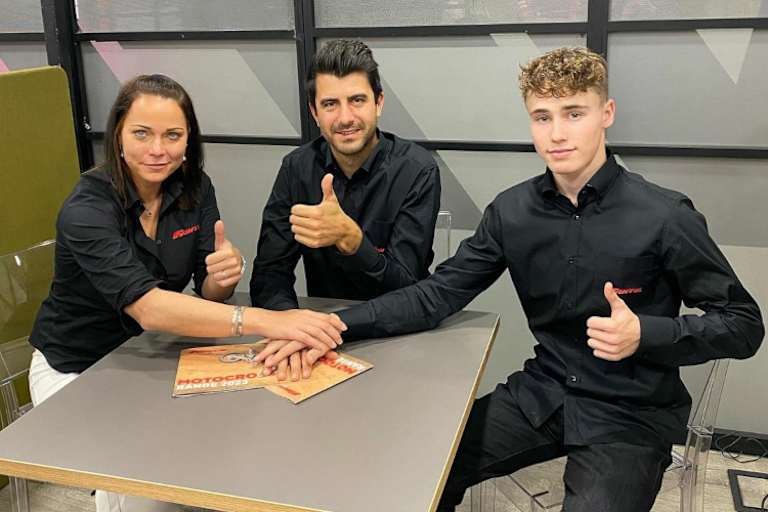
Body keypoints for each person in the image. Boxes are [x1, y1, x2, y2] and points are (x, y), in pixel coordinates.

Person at [257, 47, 764, 511]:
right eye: (543, 117)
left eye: (574, 114)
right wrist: (328, 328)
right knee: (410, 473)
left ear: (605, 115)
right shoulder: (512, 212)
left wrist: (648, 334)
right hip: (540, 395)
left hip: (629, 417)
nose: (558, 133)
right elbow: (437, 294)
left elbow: (743, 325)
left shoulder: (664, 216)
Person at [28, 74, 345, 512]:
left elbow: (207, 294)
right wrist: (270, 319)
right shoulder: (87, 209)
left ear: (188, 140)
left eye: (173, 135)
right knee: (141, 475)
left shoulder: (195, 188)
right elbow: (152, 309)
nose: (158, 149)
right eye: (142, 133)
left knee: (215, 450)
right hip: (76, 370)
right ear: (118, 134)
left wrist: (224, 277)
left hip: (152, 355)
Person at [249, 39, 441, 313]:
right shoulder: (297, 169)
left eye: (357, 100)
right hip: (321, 328)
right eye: (330, 104)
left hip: (399, 326)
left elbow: (407, 286)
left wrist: (354, 241)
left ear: (379, 102)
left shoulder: (416, 169)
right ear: (314, 112)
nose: (345, 117)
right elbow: (269, 275)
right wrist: (291, 322)